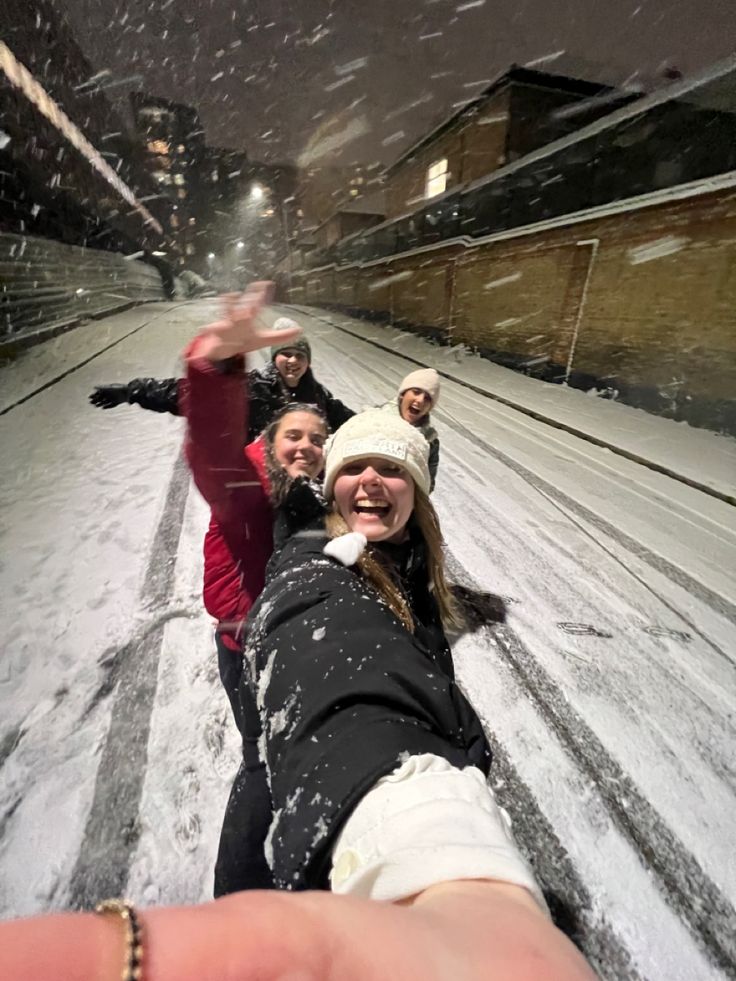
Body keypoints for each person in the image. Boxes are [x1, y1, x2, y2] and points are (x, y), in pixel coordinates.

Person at [88, 315, 354, 442]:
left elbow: (353, 422)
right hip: (260, 487)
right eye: (285, 354)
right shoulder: (254, 389)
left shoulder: (318, 395)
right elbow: (190, 393)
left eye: (300, 355)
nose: (293, 361)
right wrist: (131, 392)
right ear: (274, 358)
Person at [383, 367, 441, 490]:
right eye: (416, 392)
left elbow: (427, 486)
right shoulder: (374, 420)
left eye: (427, 398)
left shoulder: (430, 442)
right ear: (402, 395)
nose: (420, 400)